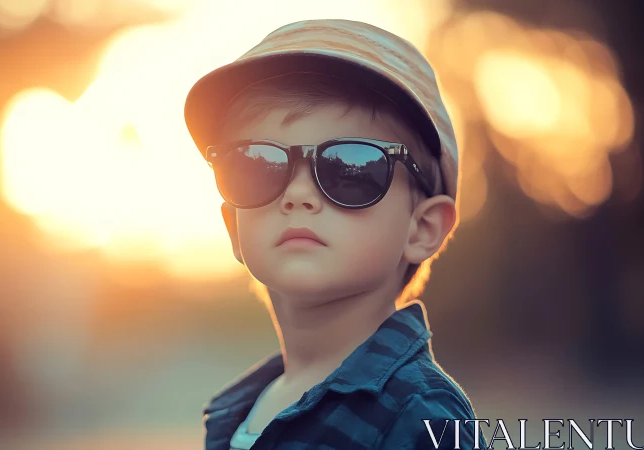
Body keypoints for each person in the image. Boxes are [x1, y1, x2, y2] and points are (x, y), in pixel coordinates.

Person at [184, 19, 488, 450]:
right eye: (257, 165)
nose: (298, 193)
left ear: (422, 228)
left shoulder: (422, 417)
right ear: (234, 227)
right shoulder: (237, 412)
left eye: (351, 168)